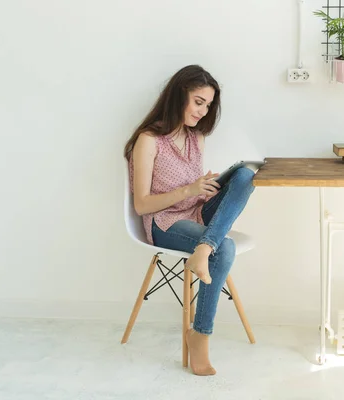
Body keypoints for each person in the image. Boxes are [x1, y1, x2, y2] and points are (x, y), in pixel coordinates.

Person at [124, 65, 255, 376]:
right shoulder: (149, 139)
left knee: (245, 174)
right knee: (225, 248)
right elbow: (142, 205)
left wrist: (204, 188)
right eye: (198, 102)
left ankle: (203, 250)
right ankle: (200, 336)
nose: (203, 111)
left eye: (208, 105)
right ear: (178, 95)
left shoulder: (196, 137)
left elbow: (194, 193)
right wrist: (189, 188)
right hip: (164, 222)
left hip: (196, 212)